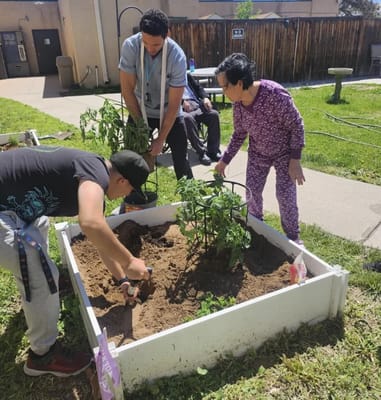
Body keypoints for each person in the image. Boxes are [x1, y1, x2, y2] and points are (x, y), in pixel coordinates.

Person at [0, 145, 152, 377]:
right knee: (42, 275)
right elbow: (90, 223)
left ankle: (38, 295)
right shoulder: (96, 176)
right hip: (4, 211)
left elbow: (97, 238)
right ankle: (43, 356)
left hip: (12, 206)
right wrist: (130, 260)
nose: (126, 196)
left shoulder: (92, 169)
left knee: (40, 226)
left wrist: (122, 278)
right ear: (122, 181)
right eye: (130, 190)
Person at [214, 53, 306, 244]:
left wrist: (295, 159)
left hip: (284, 153)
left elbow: (296, 125)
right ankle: (256, 229)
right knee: (252, 192)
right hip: (258, 152)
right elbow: (239, 134)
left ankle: (294, 239)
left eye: (225, 86)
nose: (223, 91)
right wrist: (225, 160)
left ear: (239, 83)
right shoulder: (238, 105)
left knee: (284, 195)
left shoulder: (274, 95)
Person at [119, 8, 193, 180]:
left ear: (167, 34)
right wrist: (140, 126)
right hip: (140, 108)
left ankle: (190, 200)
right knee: (131, 157)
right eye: (146, 42)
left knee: (181, 159)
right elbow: (127, 90)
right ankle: (134, 199)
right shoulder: (131, 46)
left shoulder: (177, 57)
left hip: (169, 112)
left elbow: (175, 104)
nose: (150, 49)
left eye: (156, 45)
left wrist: (161, 139)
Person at [183, 72, 222, 166]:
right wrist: (181, 102)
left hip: (196, 105)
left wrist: (205, 98)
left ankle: (213, 151)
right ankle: (202, 153)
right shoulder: (167, 78)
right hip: (182, 109)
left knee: (213, 115)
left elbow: (198, 88)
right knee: (187, 118)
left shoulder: (186, 76)